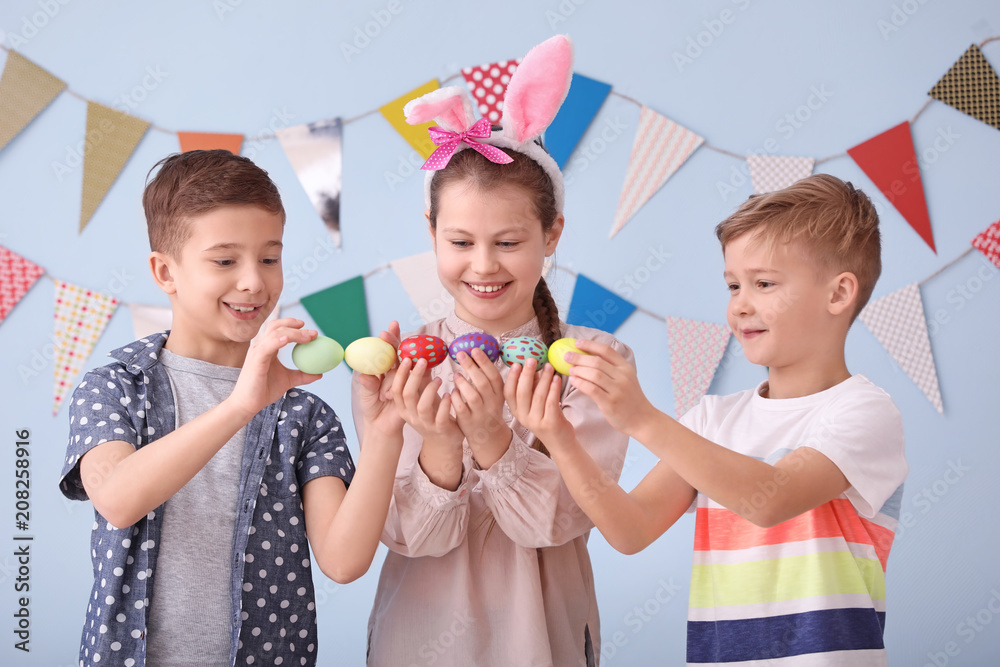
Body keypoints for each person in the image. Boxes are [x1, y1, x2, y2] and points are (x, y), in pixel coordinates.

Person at [507, 174, 909, 665]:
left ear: (838, 293)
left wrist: (644, 420)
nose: (740, 303)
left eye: (763, 283)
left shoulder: (863, 411)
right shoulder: (713, 418)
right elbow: (630, 531)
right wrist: (559, 438)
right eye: (733, 285)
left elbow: (771, 498)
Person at [58, 149, 405, 667]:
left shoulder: (302, 417)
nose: (254, 282)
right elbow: (118, 499)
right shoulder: (115, 388)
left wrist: (383, 439)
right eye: (225, 261)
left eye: (269, 258)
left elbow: (344, 560)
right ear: (165, 271)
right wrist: (242, 404)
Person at [355, 36, 633, 666]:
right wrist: (443, 447)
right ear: (431, 234)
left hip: (542, 644)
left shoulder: (589, 362)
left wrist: (492, 440)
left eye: (508, 241)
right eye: (460, 241)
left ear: (551, 233)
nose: (483, 266)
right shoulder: (407, 364)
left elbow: (560, 521)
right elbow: (406, 535)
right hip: (417, 644)